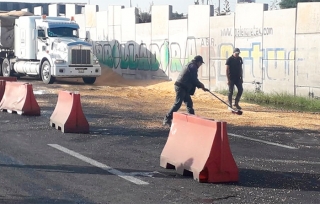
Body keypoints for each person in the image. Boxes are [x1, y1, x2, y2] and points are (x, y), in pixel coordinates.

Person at [163, 55, 208, 126]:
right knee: (177, 104)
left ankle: (192, 120)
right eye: (201, 63)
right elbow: (194, 80)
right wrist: (201, 85)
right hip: (181, 87)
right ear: (198, 62)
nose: (200, 65)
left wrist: (201, 86)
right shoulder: (193, 67)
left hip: (183, 87)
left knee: (189, 103)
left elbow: (193, 80)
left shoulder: (191, 65)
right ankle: (167, 119)